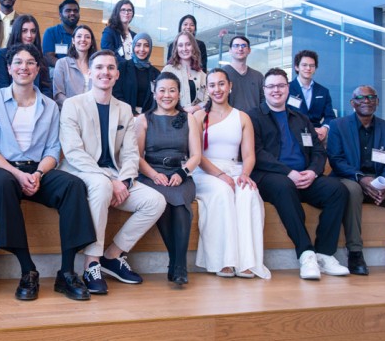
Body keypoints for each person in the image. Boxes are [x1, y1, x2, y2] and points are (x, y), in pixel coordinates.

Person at [0, 43, 96, 301]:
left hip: (37, 169)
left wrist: (39, 174)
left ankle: (66, 272)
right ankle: (28, 269)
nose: (24, 67)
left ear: (38, 68)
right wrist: (18, 174)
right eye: (18, 62)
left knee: (73, 185)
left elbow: (53, 150)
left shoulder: (50, 106)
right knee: (1, 183)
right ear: (9, 68)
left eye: (30, 62)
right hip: (4, 167)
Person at [59, 50, 166, 294]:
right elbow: (74, 153)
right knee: (101, 185)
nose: (104, 72)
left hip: (116, 175)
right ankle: (91, 264)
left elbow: (130, 153)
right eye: (99, 67)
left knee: (155, 201)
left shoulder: (125, 110)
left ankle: (112, 255)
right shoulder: (72, 105)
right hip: (81, 172)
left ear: (117, 74)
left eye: (110, 68)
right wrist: (111, 180)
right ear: (89, 72)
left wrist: (125, 181)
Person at [248, 68, 349, 280]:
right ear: (264, 90)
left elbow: (319, 151)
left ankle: (324, 253)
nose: (276, 90)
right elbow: (257, 153)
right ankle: (305, 253)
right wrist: (289, 173)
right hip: (271, 177)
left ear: (288, 88)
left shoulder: (300, 118)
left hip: (304, 177)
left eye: (281, 86)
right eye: (271, 86)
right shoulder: (253, 117)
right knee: (284, 186)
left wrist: (313, 172)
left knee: (337, 190)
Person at [192, 68, 271, 279]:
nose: (217, 89)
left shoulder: (242, 117)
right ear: (207, 89)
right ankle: (223, 260)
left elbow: (249, 155)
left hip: (235, 169)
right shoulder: (199, 116)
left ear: (230, 86)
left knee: (248, 194)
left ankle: (247, 262)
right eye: (212, 85)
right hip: (205, 172)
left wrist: (245, 174)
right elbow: (197, 155)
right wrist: (220, 175)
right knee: (223, 193)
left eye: (221, 84)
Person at [134, 72, 200, 285]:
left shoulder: (188, 118)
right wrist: (154, 175)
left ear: (179, 94)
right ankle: (176, 262)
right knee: (162, 202)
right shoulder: (144, 119)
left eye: (172, 90)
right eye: (162, 90)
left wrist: (182, 174)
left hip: (181, 174)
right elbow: (137, 156)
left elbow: (196, 155)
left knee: (180, 205)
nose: (167, 95)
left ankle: (179, 264)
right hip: (151, 173)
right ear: (154, 93)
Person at [327, 85, 385, 275]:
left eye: (372, 97)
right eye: (361, 98)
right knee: (353, 190)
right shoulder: (338, 126)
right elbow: (336, 160)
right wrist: (362, 179)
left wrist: (384, 183)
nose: (367, 101)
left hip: (378, 183)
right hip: (348, 179)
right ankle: (355, 252)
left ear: (377, 102)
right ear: (352, 103)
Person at [0, 14, 52, 97]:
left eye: (33, 31)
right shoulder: (2, 55)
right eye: (24, 31)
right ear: (17, 32)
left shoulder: (41, 59)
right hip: (8, 103)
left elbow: (47, 89)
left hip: (37, 105)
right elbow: (1, 86)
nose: (29, 35)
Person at [288, 50, 336, 143]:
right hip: (292, 136)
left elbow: (330, 116)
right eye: (304, 65)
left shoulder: (323, 91)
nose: (308, 68)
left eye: (312, 65)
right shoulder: (287, 88)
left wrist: (324, 129)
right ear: (297, 67)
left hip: (317, 136)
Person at [113, 32, 160, 115]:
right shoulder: (123, 67)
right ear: (133, 46)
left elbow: (157, 99)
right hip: (124, 115)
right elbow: (116, 93)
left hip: (148, 118)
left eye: (146, 45)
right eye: (138, 45)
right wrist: (132, 113)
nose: (142, 49)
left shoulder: (156, 73)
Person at [52, 24, 97, 108]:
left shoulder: (97, 65)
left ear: (91, 42)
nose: (83, 39)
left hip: (93, 112)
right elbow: (58, 94)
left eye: (87, 37)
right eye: (79, 36)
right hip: (70, 112)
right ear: (73, 40)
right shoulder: (62, 63)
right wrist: (75, 108)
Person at [162, 31, 206, 113]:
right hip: (171, 117)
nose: (184, 48)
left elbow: (206, 100)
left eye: (188, 44)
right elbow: (161, 96)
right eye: (180, 45)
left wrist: (194, 108)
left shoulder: (202, 74)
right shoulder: (168, 70)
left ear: (193, 47)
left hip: (195, 119)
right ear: (176, 48)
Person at [222, 35, 264, 112]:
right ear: (230, 50)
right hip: (229, 121)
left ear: (249, 50)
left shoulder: (258, 76)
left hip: (254, 122)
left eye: (243, 46)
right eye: (236, 46)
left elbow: (264, 101)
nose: (240, 49)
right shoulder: (222, 74)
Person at [43, 0, 80, 68]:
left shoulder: (83, 33)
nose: (72, 13)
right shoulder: (51, 32)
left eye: (75, 11)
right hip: (57, 70)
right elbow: (48, 57)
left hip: (79, 70)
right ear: (60, 15)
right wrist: (67, 69)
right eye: (68, 11)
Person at [100, 0, 137, 64]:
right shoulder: (109, 32)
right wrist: (129, 66)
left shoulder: (135, 36)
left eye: (129, 10)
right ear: (117, 12)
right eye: (123, 10)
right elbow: (108, 52)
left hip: (133, 72)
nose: (126, 13)